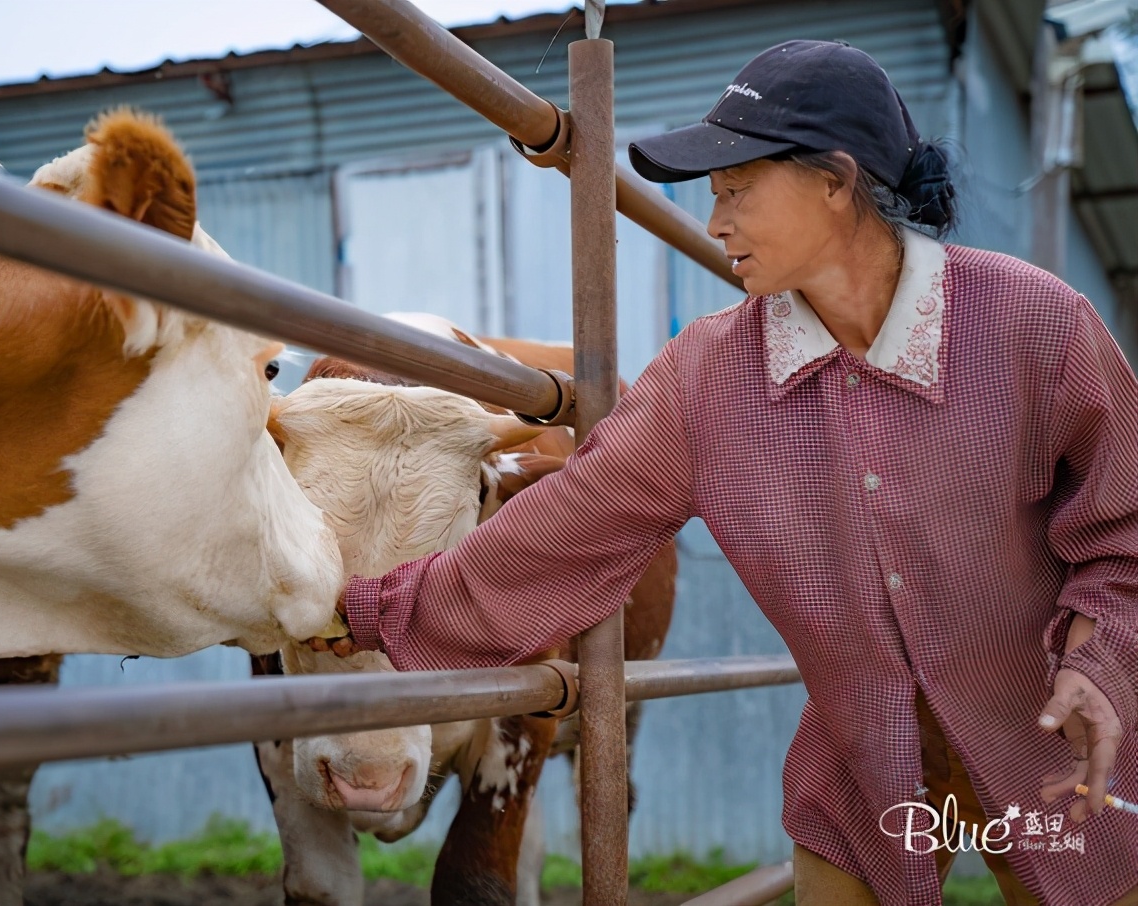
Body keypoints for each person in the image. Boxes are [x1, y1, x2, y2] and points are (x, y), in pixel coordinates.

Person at [314, 40, 1138, 906]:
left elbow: (1125, 527)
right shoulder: (708, 377)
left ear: (835, 181)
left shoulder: (1036, 326)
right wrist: (370, 606)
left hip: (1063, 747)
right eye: (712, 198)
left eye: (737, 190)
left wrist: (1101, 655)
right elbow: (567, 529)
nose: (714, 225)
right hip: (865, 771)